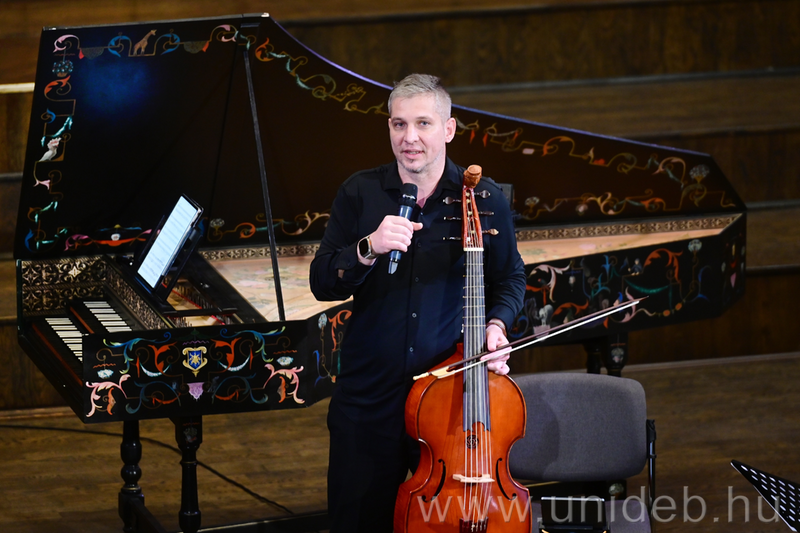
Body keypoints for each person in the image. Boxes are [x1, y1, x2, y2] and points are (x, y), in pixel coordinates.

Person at [309, 73, 526, 532]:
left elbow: (510, 278)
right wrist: (368, 247)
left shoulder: (484, 198)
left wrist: (496, 326)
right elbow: (322, 283)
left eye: (423, 124)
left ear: (448, 129)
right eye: (399, 124)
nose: (409, 138)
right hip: (368, 399)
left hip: (448, 401)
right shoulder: (360, 192)